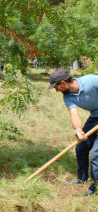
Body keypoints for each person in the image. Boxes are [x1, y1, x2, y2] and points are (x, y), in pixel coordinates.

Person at [49, 68, 98, 196]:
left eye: (56, 86)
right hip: (94, 119)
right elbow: (74, 115)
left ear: (63, 83)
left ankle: (95, 188)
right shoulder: (68, 96)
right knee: (81, 147)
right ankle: (82, 178)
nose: (56, 90)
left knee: (96, 154)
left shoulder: (91, 81)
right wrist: (78, 130)